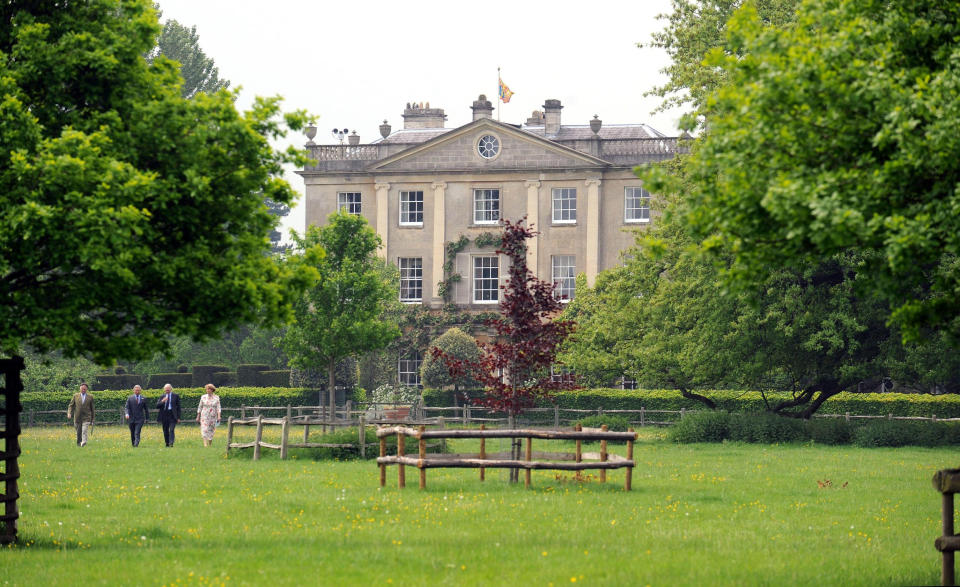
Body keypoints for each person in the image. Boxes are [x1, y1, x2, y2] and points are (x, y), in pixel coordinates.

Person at [66, 382, 95, 447]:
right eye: (82, 389)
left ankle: (84, 441)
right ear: (80, 389)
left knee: (84, 430)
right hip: (77, 417)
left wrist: (93, 418)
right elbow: (71, 405)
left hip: (87, 417)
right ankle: (79, 443)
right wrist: (69, 413)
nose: (83, 390)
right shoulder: (75, 396)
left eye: (84, 389)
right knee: (78, 432)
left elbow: (92, 408)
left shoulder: (90, 397)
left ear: (86, 389)